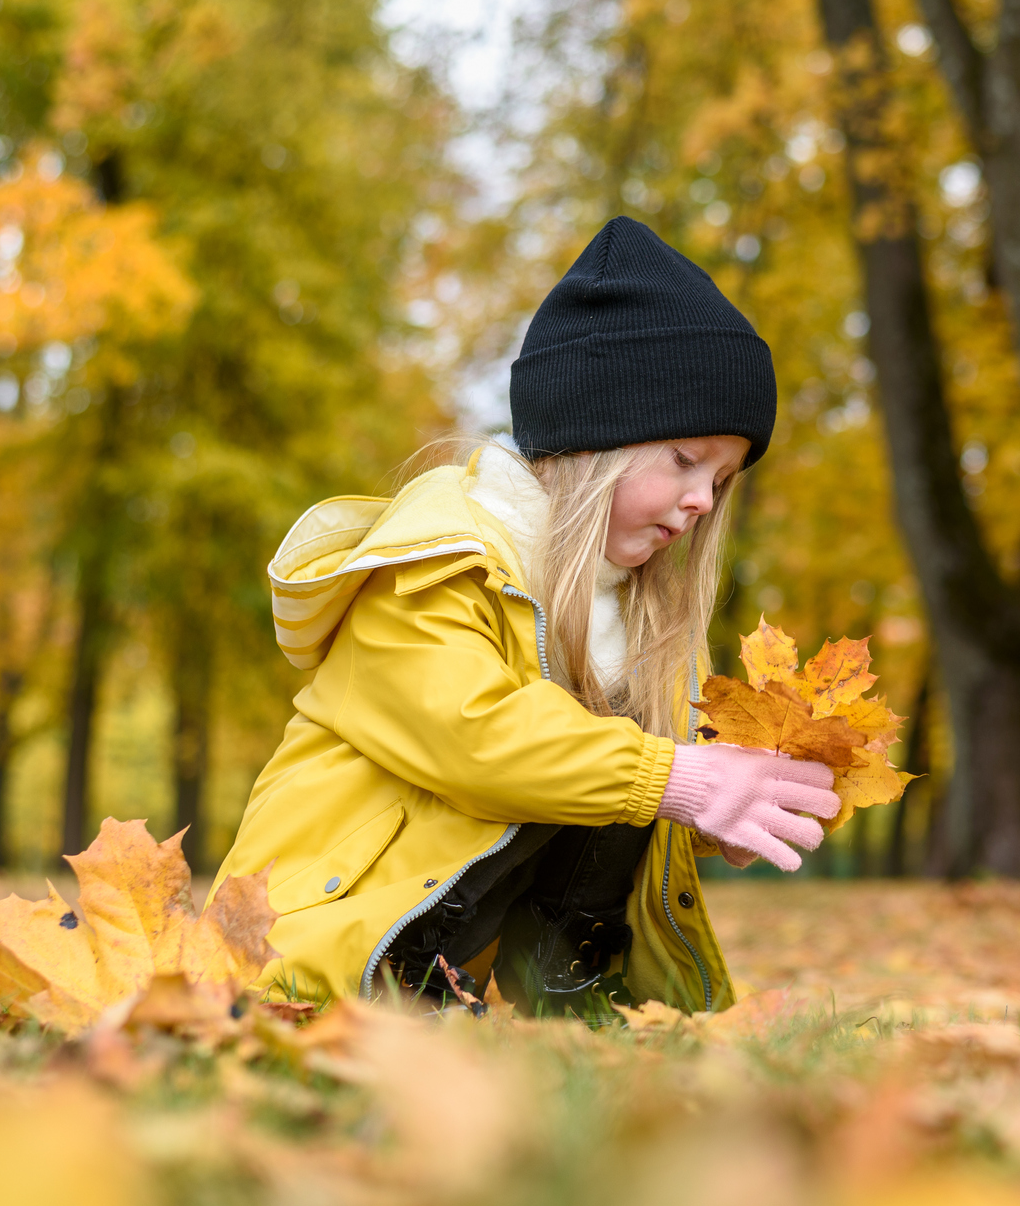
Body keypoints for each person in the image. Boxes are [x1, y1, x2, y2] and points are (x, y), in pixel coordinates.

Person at [212, 217, 838, 1015]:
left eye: (720, 480)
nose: (700, 500)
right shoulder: (431, 567)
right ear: (592, 439)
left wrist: (717, 804)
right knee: (630, 769)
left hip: (469, 960)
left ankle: (561, 992)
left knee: (631, 774)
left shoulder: (634, 622)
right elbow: (476, 734)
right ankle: (414, 991)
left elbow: (625, 783)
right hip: (305, 946)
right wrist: (674, 777)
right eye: (684, 459)